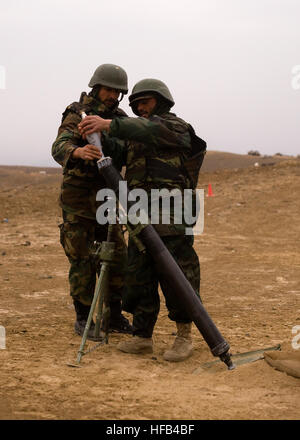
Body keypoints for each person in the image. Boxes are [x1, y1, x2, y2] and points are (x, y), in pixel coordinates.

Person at [78, 79, 206, 361]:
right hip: (139, 215)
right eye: (135, 105)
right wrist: (92, 136)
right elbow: (117, 148)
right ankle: (142, 336)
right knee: (139, 276)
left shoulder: (175, 127)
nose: (139, 109)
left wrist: (108, 125)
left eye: (144, 103)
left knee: (178, 276)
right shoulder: (136, 136)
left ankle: (184, 336)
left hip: (174, 215)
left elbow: (147, 129)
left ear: (161, 101)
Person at [52, 64, 133, 340]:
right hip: (78, 199)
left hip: (108, 198)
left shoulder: (119, 118)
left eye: (117, 91)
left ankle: (113, 315)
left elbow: (129, 151)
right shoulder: (78, 113)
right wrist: (77, 151)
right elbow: (59, 146)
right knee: (82, 259)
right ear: (97, 87)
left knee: (118, 258)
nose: (112, 95)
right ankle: (83, 317)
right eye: (109, 89)